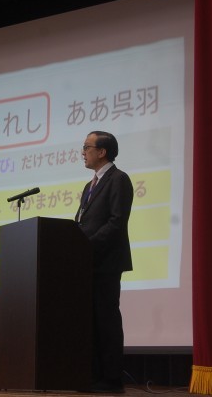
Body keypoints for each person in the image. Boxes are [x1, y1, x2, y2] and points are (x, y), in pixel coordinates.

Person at [75, 131, 133, 394]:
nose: (83, 152)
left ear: (102, 152)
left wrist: (88, 245)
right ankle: (93, 375)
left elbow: (116, 222)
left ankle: (111, 378)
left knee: (106, 320)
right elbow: (81, 222)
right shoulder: (90, 186)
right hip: (88, 263)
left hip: (106, 262)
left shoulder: (118, 179)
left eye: (87, 147)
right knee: (90, 321)